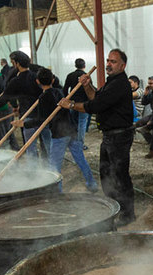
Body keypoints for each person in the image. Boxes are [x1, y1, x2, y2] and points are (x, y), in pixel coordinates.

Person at [59, 49, 136, 225]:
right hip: (109, 136)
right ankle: (113, 208)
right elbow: (96, 96)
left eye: (113, 61)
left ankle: (127, 214)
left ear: (123, 65)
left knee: (119, 176)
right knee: (106, 174)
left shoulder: (120, 84)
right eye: (108, 60)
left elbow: (95, 105)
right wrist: (87, 85)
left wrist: (70, 104)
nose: (108, 63)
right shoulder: (111, 82)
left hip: (119, 136)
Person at [24, 68, 99, 193]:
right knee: (80, 159)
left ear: (37, 81)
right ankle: (92, 184)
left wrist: (25, 124)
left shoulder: (44, 97)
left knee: (54, 166)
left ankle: (57, 193)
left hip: (59, 135)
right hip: (71, 130)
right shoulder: (59, 92)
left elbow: (43, 119)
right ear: (53, 79)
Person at [6, 51, 48, 158]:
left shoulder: (16, 80)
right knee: (47, 144)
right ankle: (50, 168)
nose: (12, 65)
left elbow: (8, 95)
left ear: (17, 64)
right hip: (42, 115)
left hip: (27, 116)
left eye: (12, 62)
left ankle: (33, 171)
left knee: (30, 147)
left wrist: (15, 106)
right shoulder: (36, 77)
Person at [64, 58, 90, 148]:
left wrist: (67, 101)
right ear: (84, 66)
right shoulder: (86, 76)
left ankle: (72, 143)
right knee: (82, 124)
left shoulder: (70, 75)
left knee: (73, 123)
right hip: (83, 104)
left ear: (75, 66)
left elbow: (65, 89)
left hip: (72, 103)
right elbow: (90, 90)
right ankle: (80, 144)